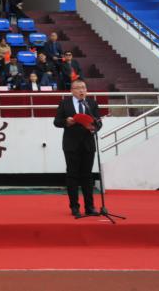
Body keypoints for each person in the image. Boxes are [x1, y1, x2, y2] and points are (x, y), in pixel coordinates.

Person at [53, 79, 102, 217]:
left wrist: (93, 127)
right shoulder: (65, 103)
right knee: (72, 175)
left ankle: (90, 207)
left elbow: (98, 122)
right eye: (78, 88)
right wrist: (66, 122)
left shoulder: (91, 103)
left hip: (88, 144)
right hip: (71, 144)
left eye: (84, 87)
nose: (81, 90)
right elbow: (56, 122)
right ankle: (74, 206)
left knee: (87, 175)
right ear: (72, 90)